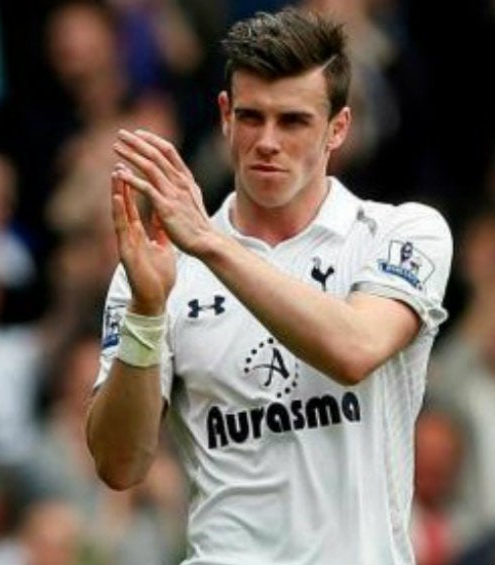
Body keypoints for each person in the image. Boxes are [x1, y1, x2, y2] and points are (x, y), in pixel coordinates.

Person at [87, 8, 452, 565]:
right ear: (225, 117)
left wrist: (211, 245)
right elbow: (120, 465)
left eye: (294, 122)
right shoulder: (159, 270)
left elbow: (355, 349)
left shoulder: (401, 233)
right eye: (252, 118)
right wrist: (147, 311)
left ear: (338, 128)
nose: (267, 141)